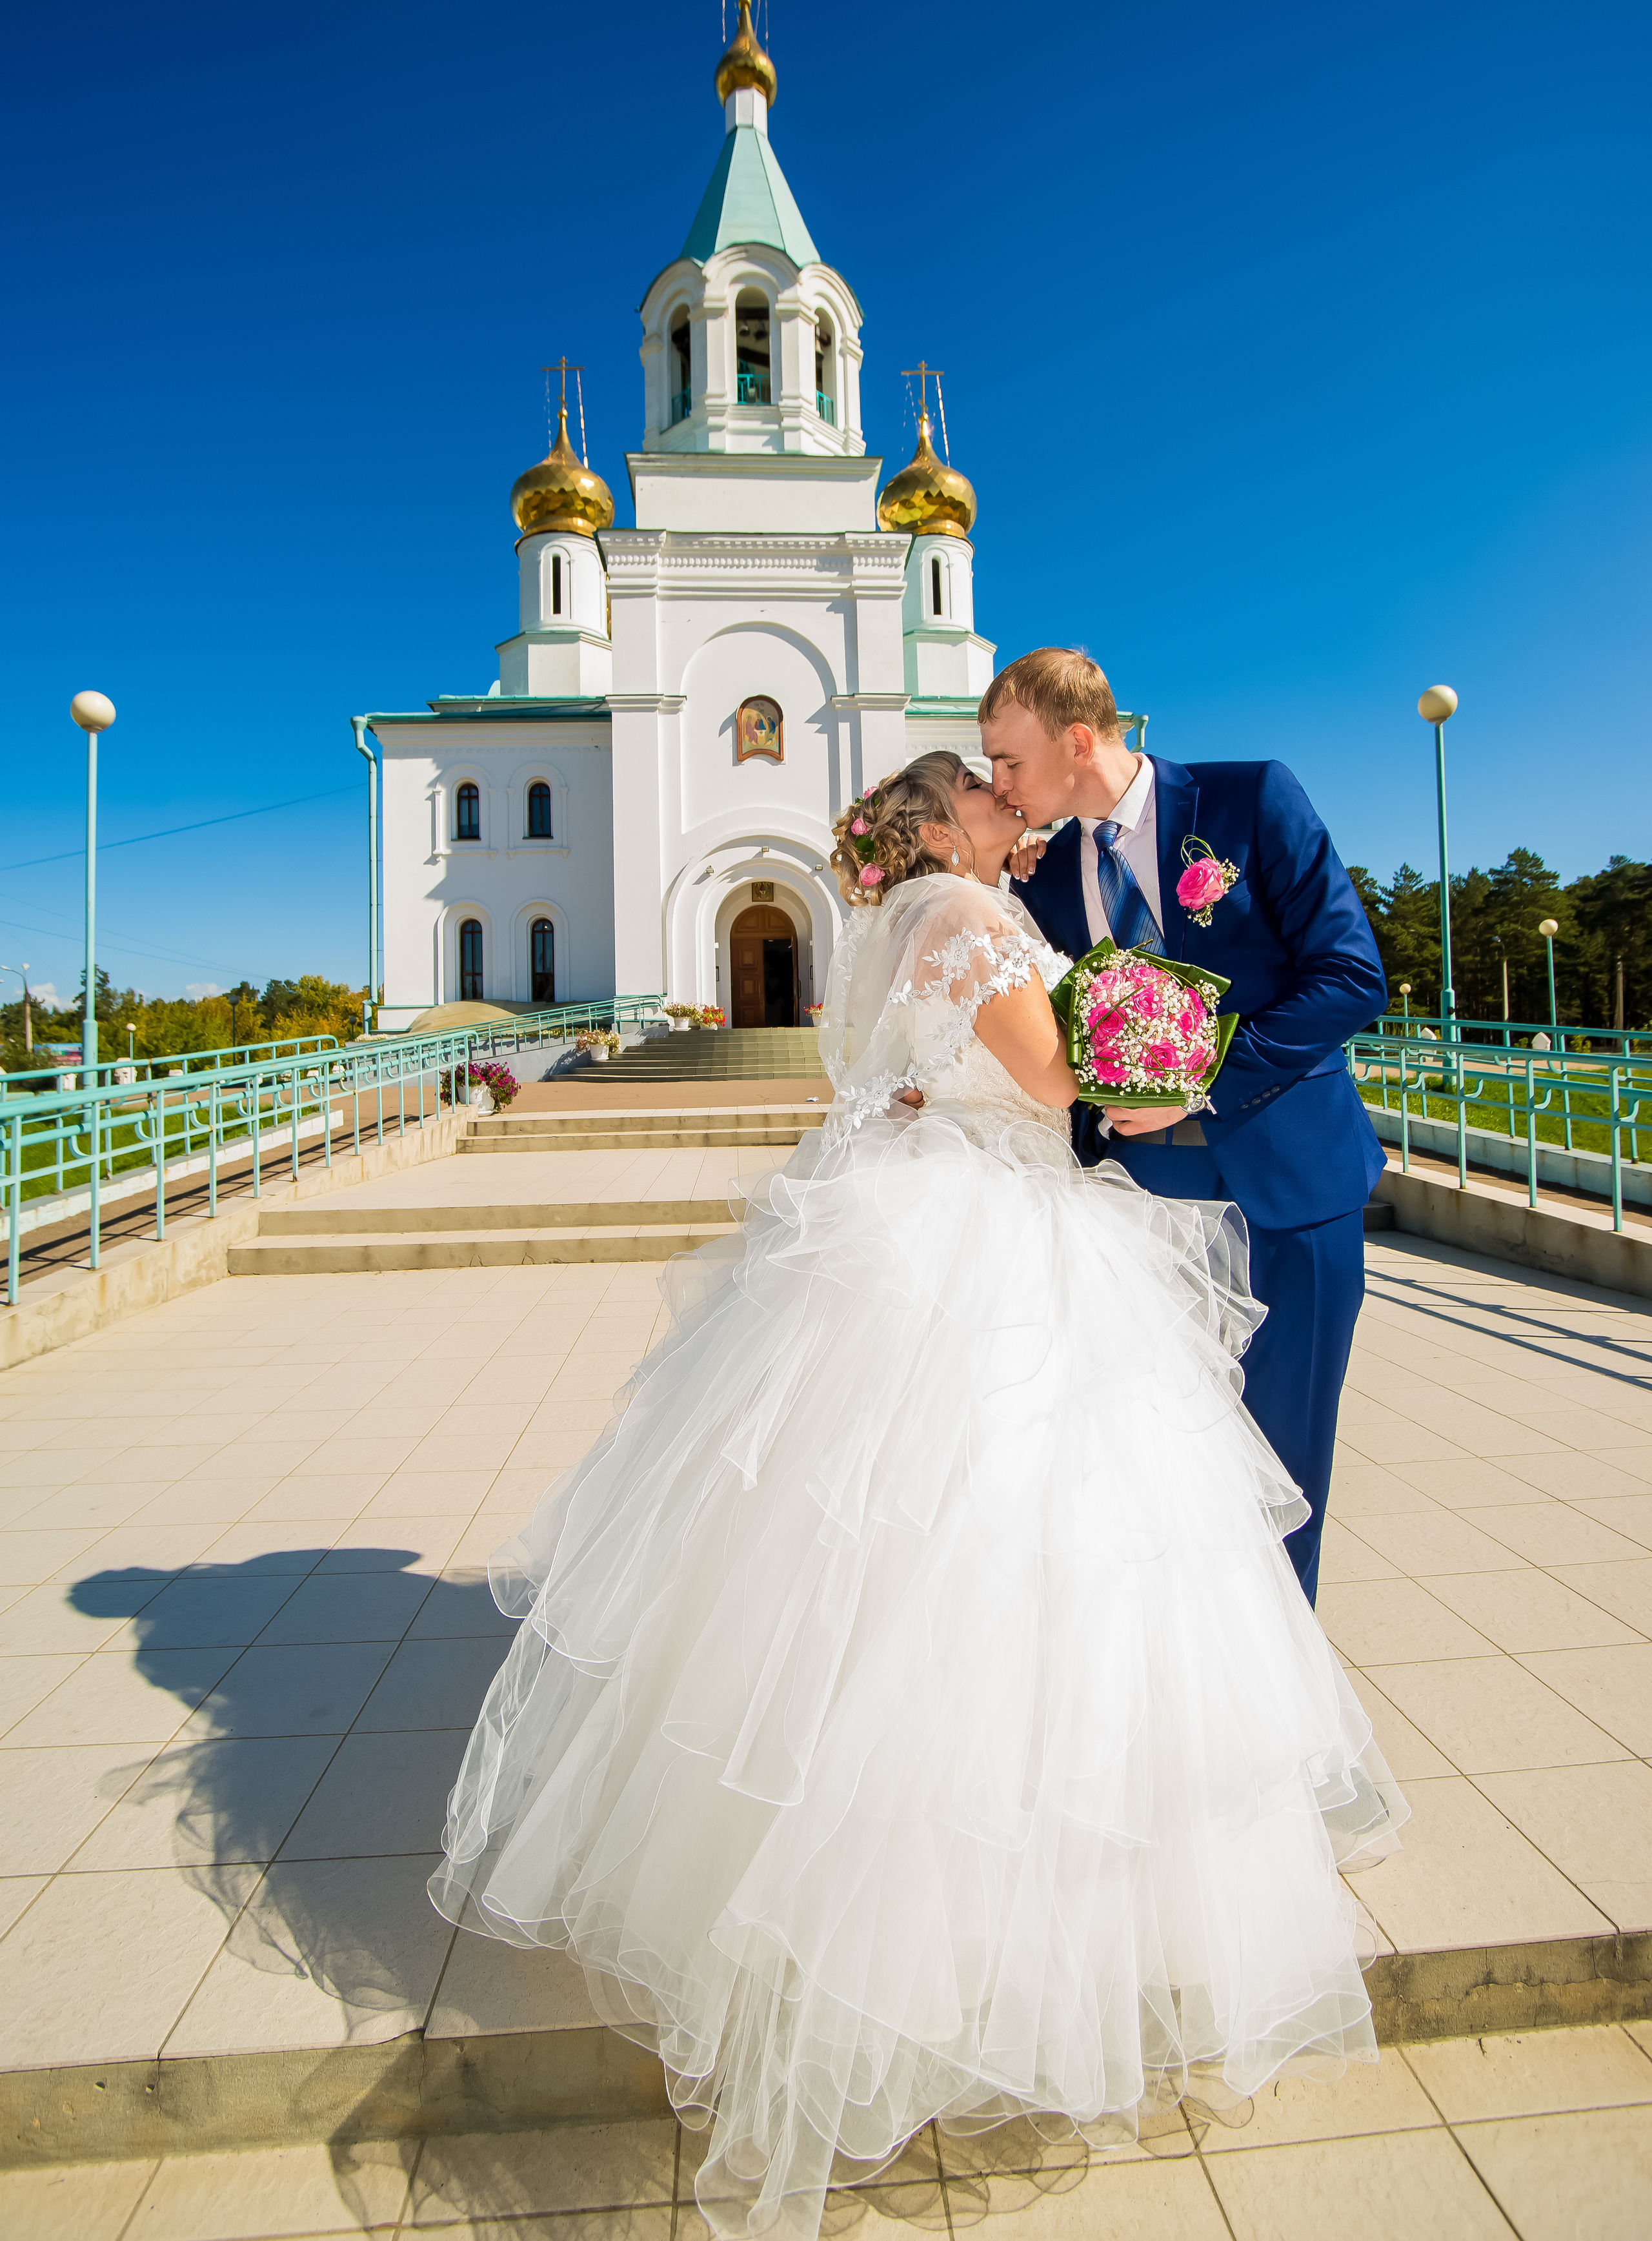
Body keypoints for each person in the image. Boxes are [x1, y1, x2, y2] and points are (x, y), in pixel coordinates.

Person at [430, 749, 1405, 2241]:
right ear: (946, 822)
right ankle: (964, 1930)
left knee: (932, 1556)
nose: (1021, 812)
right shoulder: (965, 912)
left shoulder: (918, 915)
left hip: (947, 1207)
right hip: (996, 1247)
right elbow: (1050, 1079)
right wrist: (1153, 1060)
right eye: (996, 796)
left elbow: (915, 1073)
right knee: (997, 1547)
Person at [985, 651, 1387, 1605]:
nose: (998, 784)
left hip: (1294, 1189)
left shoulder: (1252, 800)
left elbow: (1350, 976)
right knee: (1150, 1456)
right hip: (1134, 1204)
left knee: (1286, 1462)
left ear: (1077, 741)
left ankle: (1279, 1668)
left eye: (1009, 760)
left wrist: (1198, 1079)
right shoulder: (1043, 878)